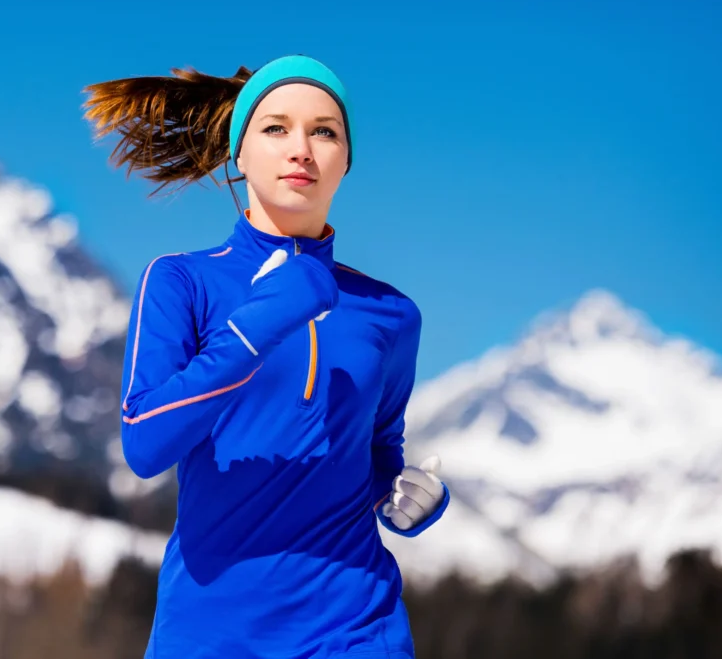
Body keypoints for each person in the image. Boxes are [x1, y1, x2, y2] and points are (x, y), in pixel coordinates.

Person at [82, 55, 450, 659]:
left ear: (345, 161)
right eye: (276, 128)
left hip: (356, 629)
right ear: (239, 154)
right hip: (208, 633)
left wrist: (403, 496)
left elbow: (381, 448)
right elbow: (145, 444)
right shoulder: (182, 282)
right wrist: (258, 325)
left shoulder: (392, 314)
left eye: (324, 131)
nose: (301, 148)